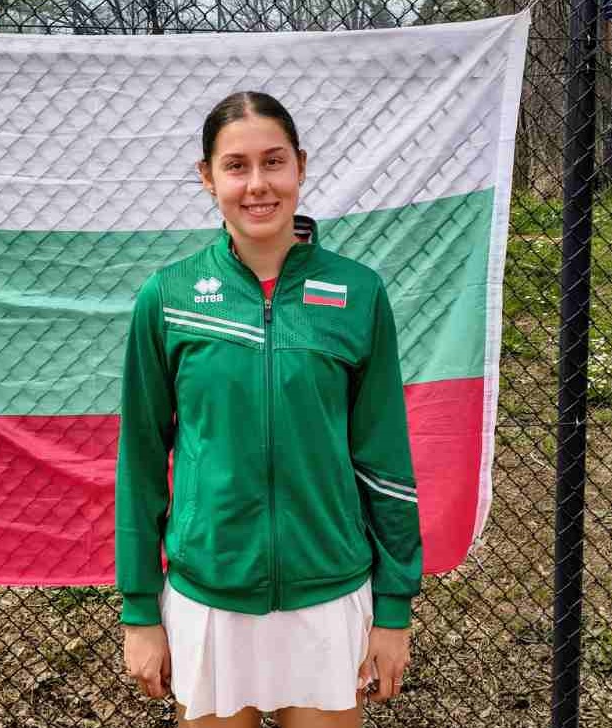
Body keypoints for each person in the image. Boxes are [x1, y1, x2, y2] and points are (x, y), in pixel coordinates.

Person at [115, 90, 423, 728]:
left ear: (300, 167)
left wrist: (394, 609)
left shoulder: (358, 293)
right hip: (210, 594)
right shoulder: (167, 298)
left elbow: (385, 458)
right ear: (207, 177)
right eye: (236, 166)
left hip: (328, 592)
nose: (257, 184)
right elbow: (140, 464)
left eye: (273, 162)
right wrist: (140, 611)